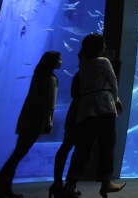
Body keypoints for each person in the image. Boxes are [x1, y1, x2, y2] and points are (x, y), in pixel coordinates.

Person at [63, 34, 125, 198]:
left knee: (83, 149)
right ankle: (106, 183)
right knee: (107, 146)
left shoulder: (83, 62)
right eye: (103, 44)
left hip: (86, 109)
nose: (105, 47)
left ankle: (70, 184)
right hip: (104, 106)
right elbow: (113, 83)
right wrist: (117, 100)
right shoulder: (104, 62)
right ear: (100, 47)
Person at [0, 51, 61, 198]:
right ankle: (2, 185)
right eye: (59, 59)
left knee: (17, 153)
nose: (61, 61)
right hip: (36, 121)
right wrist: (49, 121)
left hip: (27, 118)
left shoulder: (39, 75)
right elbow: (50, 104)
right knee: (18, 154)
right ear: (52, 62)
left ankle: (3, 185)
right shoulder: (51, 79)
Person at [49, 69, 80, 198]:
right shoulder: (85, 74)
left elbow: (73, 93)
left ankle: (57, 183)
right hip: (82, 113)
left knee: (66, 147)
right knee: (78, 150)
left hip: (74, 112)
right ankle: (69, 185)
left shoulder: (79, 74)